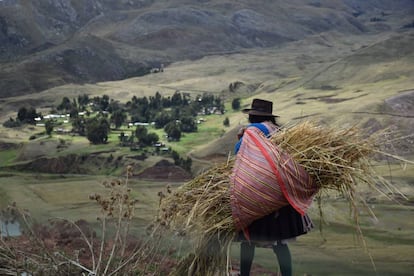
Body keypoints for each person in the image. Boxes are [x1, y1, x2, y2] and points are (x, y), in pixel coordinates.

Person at [234, 98, 313, 276]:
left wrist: (241, 139)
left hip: (258, 191)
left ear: (252, 116)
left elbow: (239, 152)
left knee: (248, 239)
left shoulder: (253, 131)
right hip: (281, 193)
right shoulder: (279, 131)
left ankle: (244, 274)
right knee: (280, 242)